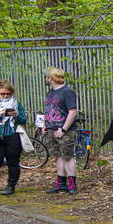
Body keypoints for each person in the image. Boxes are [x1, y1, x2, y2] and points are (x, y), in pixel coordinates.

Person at [42, 67, 80, 195]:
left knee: (68, 156)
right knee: (58, 157)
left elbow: (73, 112)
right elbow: (49, 109)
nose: (46, 79)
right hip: (51, 130)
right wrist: (45, 125)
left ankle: (72, 184)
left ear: (51, 78)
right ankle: (61, 183)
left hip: (65, 131)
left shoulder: (67, 92)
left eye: (47, 77)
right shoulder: (50, 92)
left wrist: (64, 129)